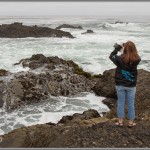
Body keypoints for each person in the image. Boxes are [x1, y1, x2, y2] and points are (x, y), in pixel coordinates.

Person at [109, 41, 141, 128]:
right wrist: (125, 51)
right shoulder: (137, 59)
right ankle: (131, 123)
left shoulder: (120, 59)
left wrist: (118, 48)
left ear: (125, 49)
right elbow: (131, 57)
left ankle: (120, 122)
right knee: (131, 104)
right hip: (131, 85)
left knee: (120, 103)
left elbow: (111, 56)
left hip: (120, 84)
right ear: (134, 49)